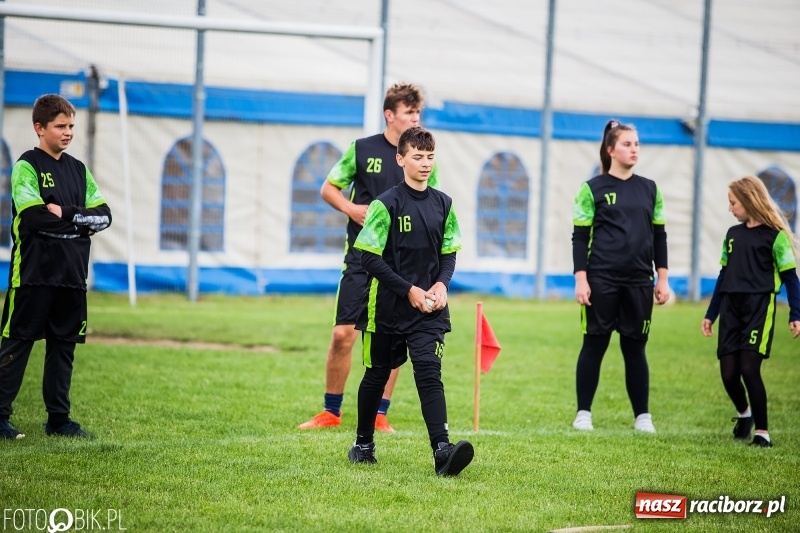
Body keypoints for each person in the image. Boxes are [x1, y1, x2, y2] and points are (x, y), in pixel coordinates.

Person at [299, 83, 438, 432]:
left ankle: (379, 414)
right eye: (409, 113)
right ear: (390, 115)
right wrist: (351, 208)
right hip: (362, 260)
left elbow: (430, 205)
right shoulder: (361, 150)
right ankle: (331, 412)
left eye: (418, 113)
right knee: (343, 335)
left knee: (393, 338)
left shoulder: (421, 158)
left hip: (402, 267)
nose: (415, 118)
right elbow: (328, 187)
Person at [346, 126, 472, 476]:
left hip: (429, 310)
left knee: (430, 373)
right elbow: (369, 258)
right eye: (418, 156)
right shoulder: (384, 204)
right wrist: (409, 291)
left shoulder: (443, 203)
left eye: (430, 156)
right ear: (400, 159)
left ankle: (442, 451)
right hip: (385, 307)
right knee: (377, 374)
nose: (425, 163)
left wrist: (441, 285)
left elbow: (448, 253)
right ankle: (363, 444)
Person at [0, 94, 112, 440]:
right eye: (60, 126)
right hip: (32, 276)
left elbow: (105, 216)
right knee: (16, 346)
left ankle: (59, 421)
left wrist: (65, 214)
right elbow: (34, 218)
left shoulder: (79, 170)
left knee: (63, 349)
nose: (68, 133)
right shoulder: (26, 166)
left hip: (72, 278)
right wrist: (82, 226)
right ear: (40, 128)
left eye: (71, 126)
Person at [571, 119, 670, 433]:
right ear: (611, 149)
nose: (634, 149)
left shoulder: (650, 189)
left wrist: (663, 278)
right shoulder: (592, 189)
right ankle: (583, 413)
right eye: (627, 144)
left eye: (637, 144)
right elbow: (579, 237)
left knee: (635, 347)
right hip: (601, 280)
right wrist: (581, 278)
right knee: (594, 344)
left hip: (640, 281)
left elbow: (660, 236)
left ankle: (643, 416)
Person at [701, 176, 800, 448]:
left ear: (748, 199)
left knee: (748, 367)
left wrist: (796, 314)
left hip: (759, 307)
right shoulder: (732, 235)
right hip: (731, 308)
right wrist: (711, 314)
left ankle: (762, 433)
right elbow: (723, 276)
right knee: (728, 373)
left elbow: (791, 278)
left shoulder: (775, 237)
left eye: (733, 202)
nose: (730, 208)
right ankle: (745, 415)